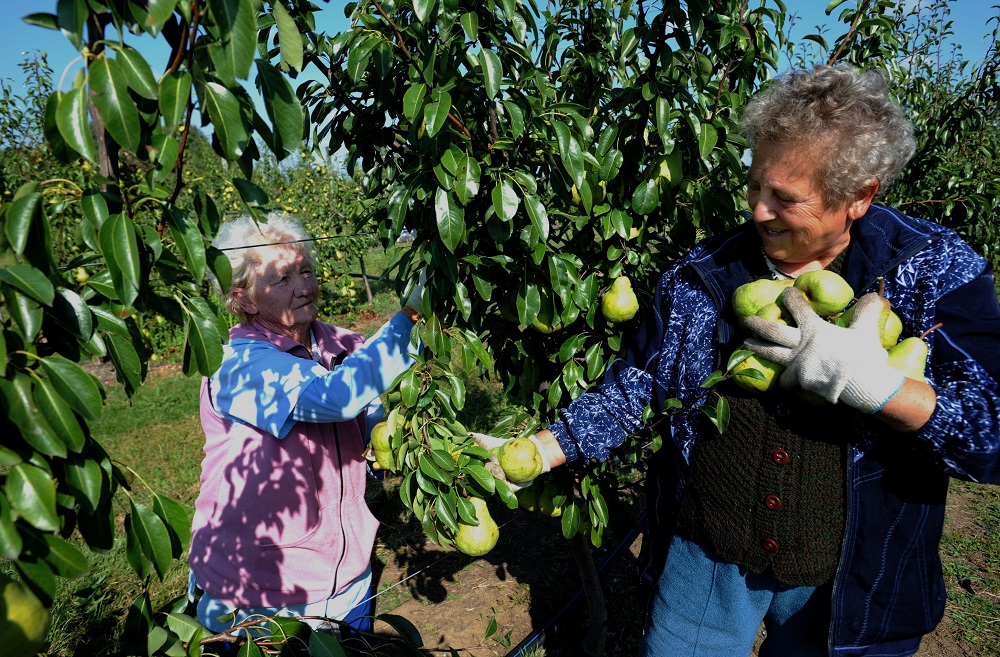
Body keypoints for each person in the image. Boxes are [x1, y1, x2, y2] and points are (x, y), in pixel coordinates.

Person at [483, 64, 1000, 656]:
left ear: (859, 196)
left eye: (785, 198)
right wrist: (541, 450)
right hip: (709, 554)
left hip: (849, 581)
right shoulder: (706, 273)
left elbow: (994, 430)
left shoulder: (931, 270)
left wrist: (880, 389)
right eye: (755, 185)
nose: (757, 211)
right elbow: (639, 385)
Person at [187, 214, 423, 643]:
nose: (303, 286)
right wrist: (410, 316)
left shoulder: (336, 342)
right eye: (282, 279)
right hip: (265, 588)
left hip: (347, 572)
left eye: (306, 271)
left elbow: (366, 399)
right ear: (244, 299)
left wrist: (378, 429)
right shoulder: (238, 365)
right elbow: (337, 397)